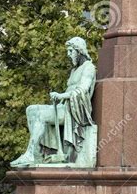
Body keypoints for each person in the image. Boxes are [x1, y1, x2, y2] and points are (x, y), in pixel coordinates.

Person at [11, 37, 96, 166]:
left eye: (70, 51)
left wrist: (61, 95)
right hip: (65, 106)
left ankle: (30, 154)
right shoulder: (74, 70)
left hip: (75, 111)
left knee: (40, 115)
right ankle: (35, 153)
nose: (68, 54)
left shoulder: (88, 67)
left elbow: (83, 90)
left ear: (79, 51)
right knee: (31, 109)